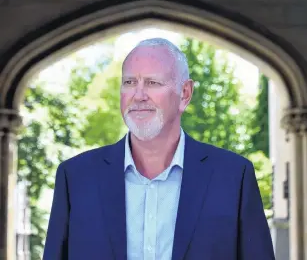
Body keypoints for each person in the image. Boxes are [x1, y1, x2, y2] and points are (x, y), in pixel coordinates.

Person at [43, 38, 275, 260]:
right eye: (129, 82)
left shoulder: (234, 178)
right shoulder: (76, 178)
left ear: (185, 94)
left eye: (153, 83)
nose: (139, 95)